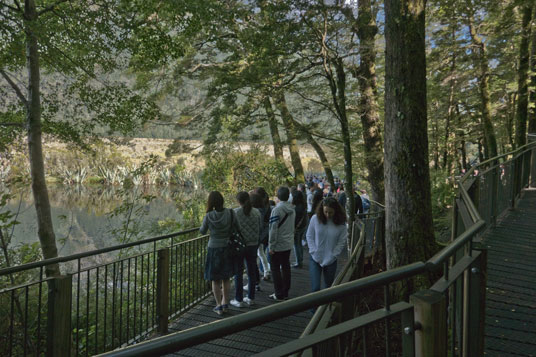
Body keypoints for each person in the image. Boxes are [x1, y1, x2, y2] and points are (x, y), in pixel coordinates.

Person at [199, 191, 235, 316]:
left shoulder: (208, 216)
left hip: (213, 248)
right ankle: (225, 303)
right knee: (226, 277)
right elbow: (235, 227)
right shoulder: (230, 213)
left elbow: (202, 231)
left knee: (215, 279)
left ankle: (218, 305)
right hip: (226, 247)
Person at [306, 197, 347, 293]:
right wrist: (313, 251)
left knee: (328, 288)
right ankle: (313, 308)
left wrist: (333, 255)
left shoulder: (341, 224)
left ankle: (326, 308)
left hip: (331, 260)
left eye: (331, 212)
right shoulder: (315, 219)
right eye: (326, 212)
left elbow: (341, 242)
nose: (328, 215)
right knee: (315, 288)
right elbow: (309, 236)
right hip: (315, 258)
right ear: (322, 210)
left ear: (336, 211)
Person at [230, 191, 261, 307]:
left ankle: (239, 299)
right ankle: (251, 298)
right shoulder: (256, 212)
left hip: (240, 245)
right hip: (253, 245)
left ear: (238, 201)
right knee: (251, 271)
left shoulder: (235, 212)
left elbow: (232, 229)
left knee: (238, 272)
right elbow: (260, 227)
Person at [268, 186, 296, 301]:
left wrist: (271, 245)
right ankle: (285, 292)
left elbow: (273, 229)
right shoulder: (292, 209)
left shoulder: (276, 210)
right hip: (288, 243)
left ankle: (278, 293)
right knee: (285, 267)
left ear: (278, 196)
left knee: (275, 268)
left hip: (278, 244)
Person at [251, 187, 271, 281]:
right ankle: (266, 271)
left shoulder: (256, 211)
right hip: (264, 233)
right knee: (261, 253)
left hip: (257, 235)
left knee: (256, 256)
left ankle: (256, 280)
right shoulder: (266, 206)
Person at [290, 188, 307, 268]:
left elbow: (294, 220)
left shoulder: (296, 208)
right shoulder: (303, 205)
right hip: (302, 226)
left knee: (296, 245)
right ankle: (301, 260)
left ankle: (298, 262)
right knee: (299, 243)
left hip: (297, 228)